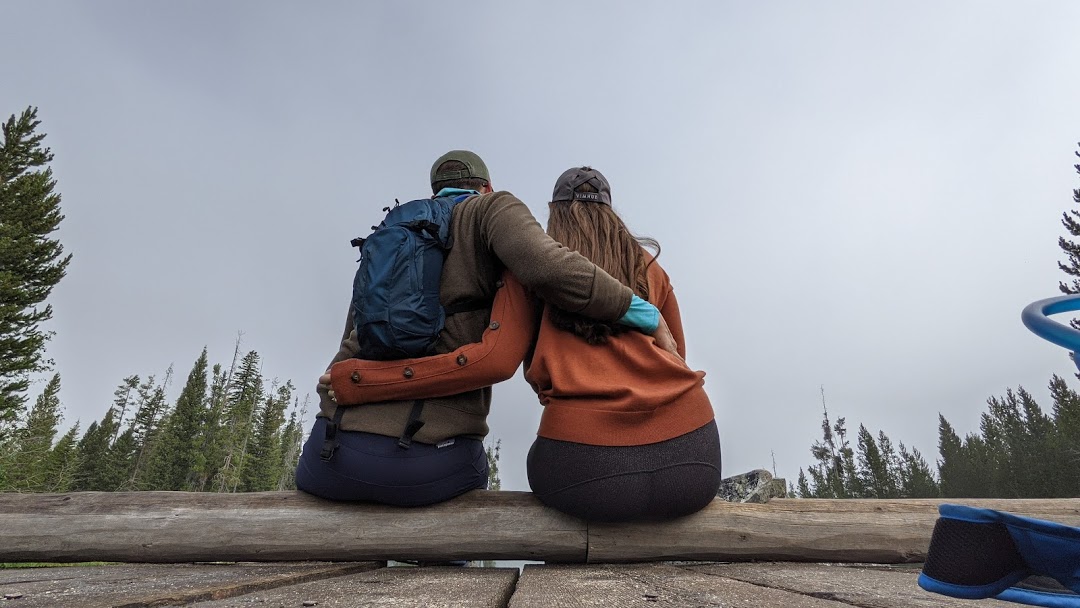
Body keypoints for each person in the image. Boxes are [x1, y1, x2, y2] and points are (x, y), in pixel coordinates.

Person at [329, 166, 721, 521]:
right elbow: (676, 357)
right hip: (695, 456)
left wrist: (362, 380)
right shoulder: (650, 268)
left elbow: (497, 359)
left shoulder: (526, 274)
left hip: (585, 464)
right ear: (611, 210)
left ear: (553, 211)